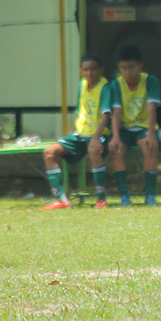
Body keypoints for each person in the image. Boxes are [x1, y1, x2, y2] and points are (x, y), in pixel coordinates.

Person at [40, 54, 112, 209]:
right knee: (49, 152)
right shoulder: (82, 85)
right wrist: (71, 133)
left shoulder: (105, 87)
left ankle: (101, 200)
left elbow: (106, 116)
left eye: (93, 69)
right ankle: (62, 200)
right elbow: (80, 112)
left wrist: (95, 138)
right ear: (80, 71)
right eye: (86, 70)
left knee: (94, 151)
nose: (89, 73)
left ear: (101, 70)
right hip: (80, 134)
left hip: (99, 134)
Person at [108, 45, 161, 206]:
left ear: (140, 66)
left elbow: (151, 108)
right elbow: (116, 112)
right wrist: (115, 137)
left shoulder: (150, 81)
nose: (127, 72)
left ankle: (150, 196)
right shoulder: (116, 84)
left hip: (144, 127)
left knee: (150, 149)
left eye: (131, 67)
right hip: (124, 128)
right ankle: (124, 197)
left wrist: (151, 134)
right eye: (123, 68)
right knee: (116, 151)